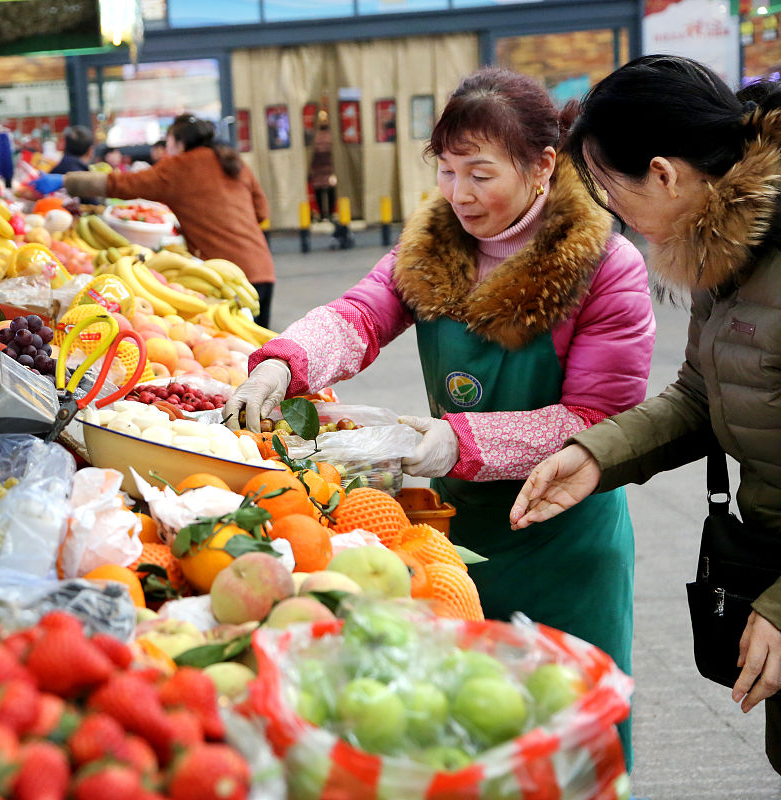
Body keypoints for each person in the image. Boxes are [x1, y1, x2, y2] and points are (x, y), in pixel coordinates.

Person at [223, 67, 655, 767]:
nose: (459, 195)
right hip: (455, 535)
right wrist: (285, 362)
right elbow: (359, 316)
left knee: (572, 737)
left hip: (564, 542)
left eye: (480, 174)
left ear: (543, 165)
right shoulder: (433, 246)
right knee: (467, 734)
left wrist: (456, 439)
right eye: (447, 172)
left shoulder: (605, 267)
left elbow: (601, 418)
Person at [508, 54, 781, 775]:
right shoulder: (727, 253)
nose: (608, 212)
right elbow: (700, 393)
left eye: (608, 189)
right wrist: (597, 455)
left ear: (663, 173)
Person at [37, 113, 277, 327]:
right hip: (262, 268)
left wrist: (65, 181)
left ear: (179, 143)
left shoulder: (179, 166)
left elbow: (123, 184)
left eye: (169, 141)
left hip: (222, 277)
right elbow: (263, 212)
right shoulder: (233, 162)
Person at [309, 109, 337, 221]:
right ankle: (322, 214)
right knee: (319, 191)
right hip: (318, 168)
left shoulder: (332, 133)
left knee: (331, 191)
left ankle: (330, 213)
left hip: (329, 168)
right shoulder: (314, 135)